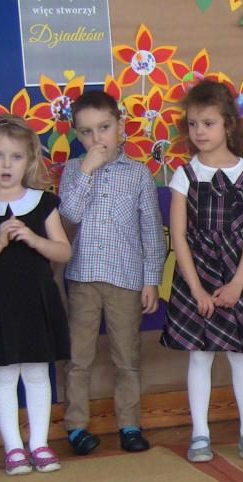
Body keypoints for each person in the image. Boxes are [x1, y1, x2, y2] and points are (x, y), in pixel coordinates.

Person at [160, 80, 243, 463]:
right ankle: (200, 433)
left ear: (228, 124)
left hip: (238, 276)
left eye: (208, 123)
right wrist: (196, 289)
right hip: (196, 273)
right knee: (199, 355)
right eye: (193, 124)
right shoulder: (185, 175)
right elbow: (179, 237)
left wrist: (237, 285)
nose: (199, 131)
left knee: (240, 353)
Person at [59, 90, 166, 455]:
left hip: (126, 279)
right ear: (77, 134)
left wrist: (151, 279)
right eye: (86, 132)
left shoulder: (138, 174)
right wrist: (86, 171)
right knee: (79, 357)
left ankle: (129, 425)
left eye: (104, 128)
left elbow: (151, 231)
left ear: (120, 127)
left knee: (127, 356)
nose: (97, 139)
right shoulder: (73, 171)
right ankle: (76, 427)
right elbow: (68, 216)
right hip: (83, 277)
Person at [0, 114, 72, 475]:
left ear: (29, 160)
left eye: (15, 156)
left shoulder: (43, 203)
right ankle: (13, 448)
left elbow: (63, 251)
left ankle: (39, 444)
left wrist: (35, 239)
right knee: (4, 376)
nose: (6, 165)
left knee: (39, 374)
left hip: (35, 302)